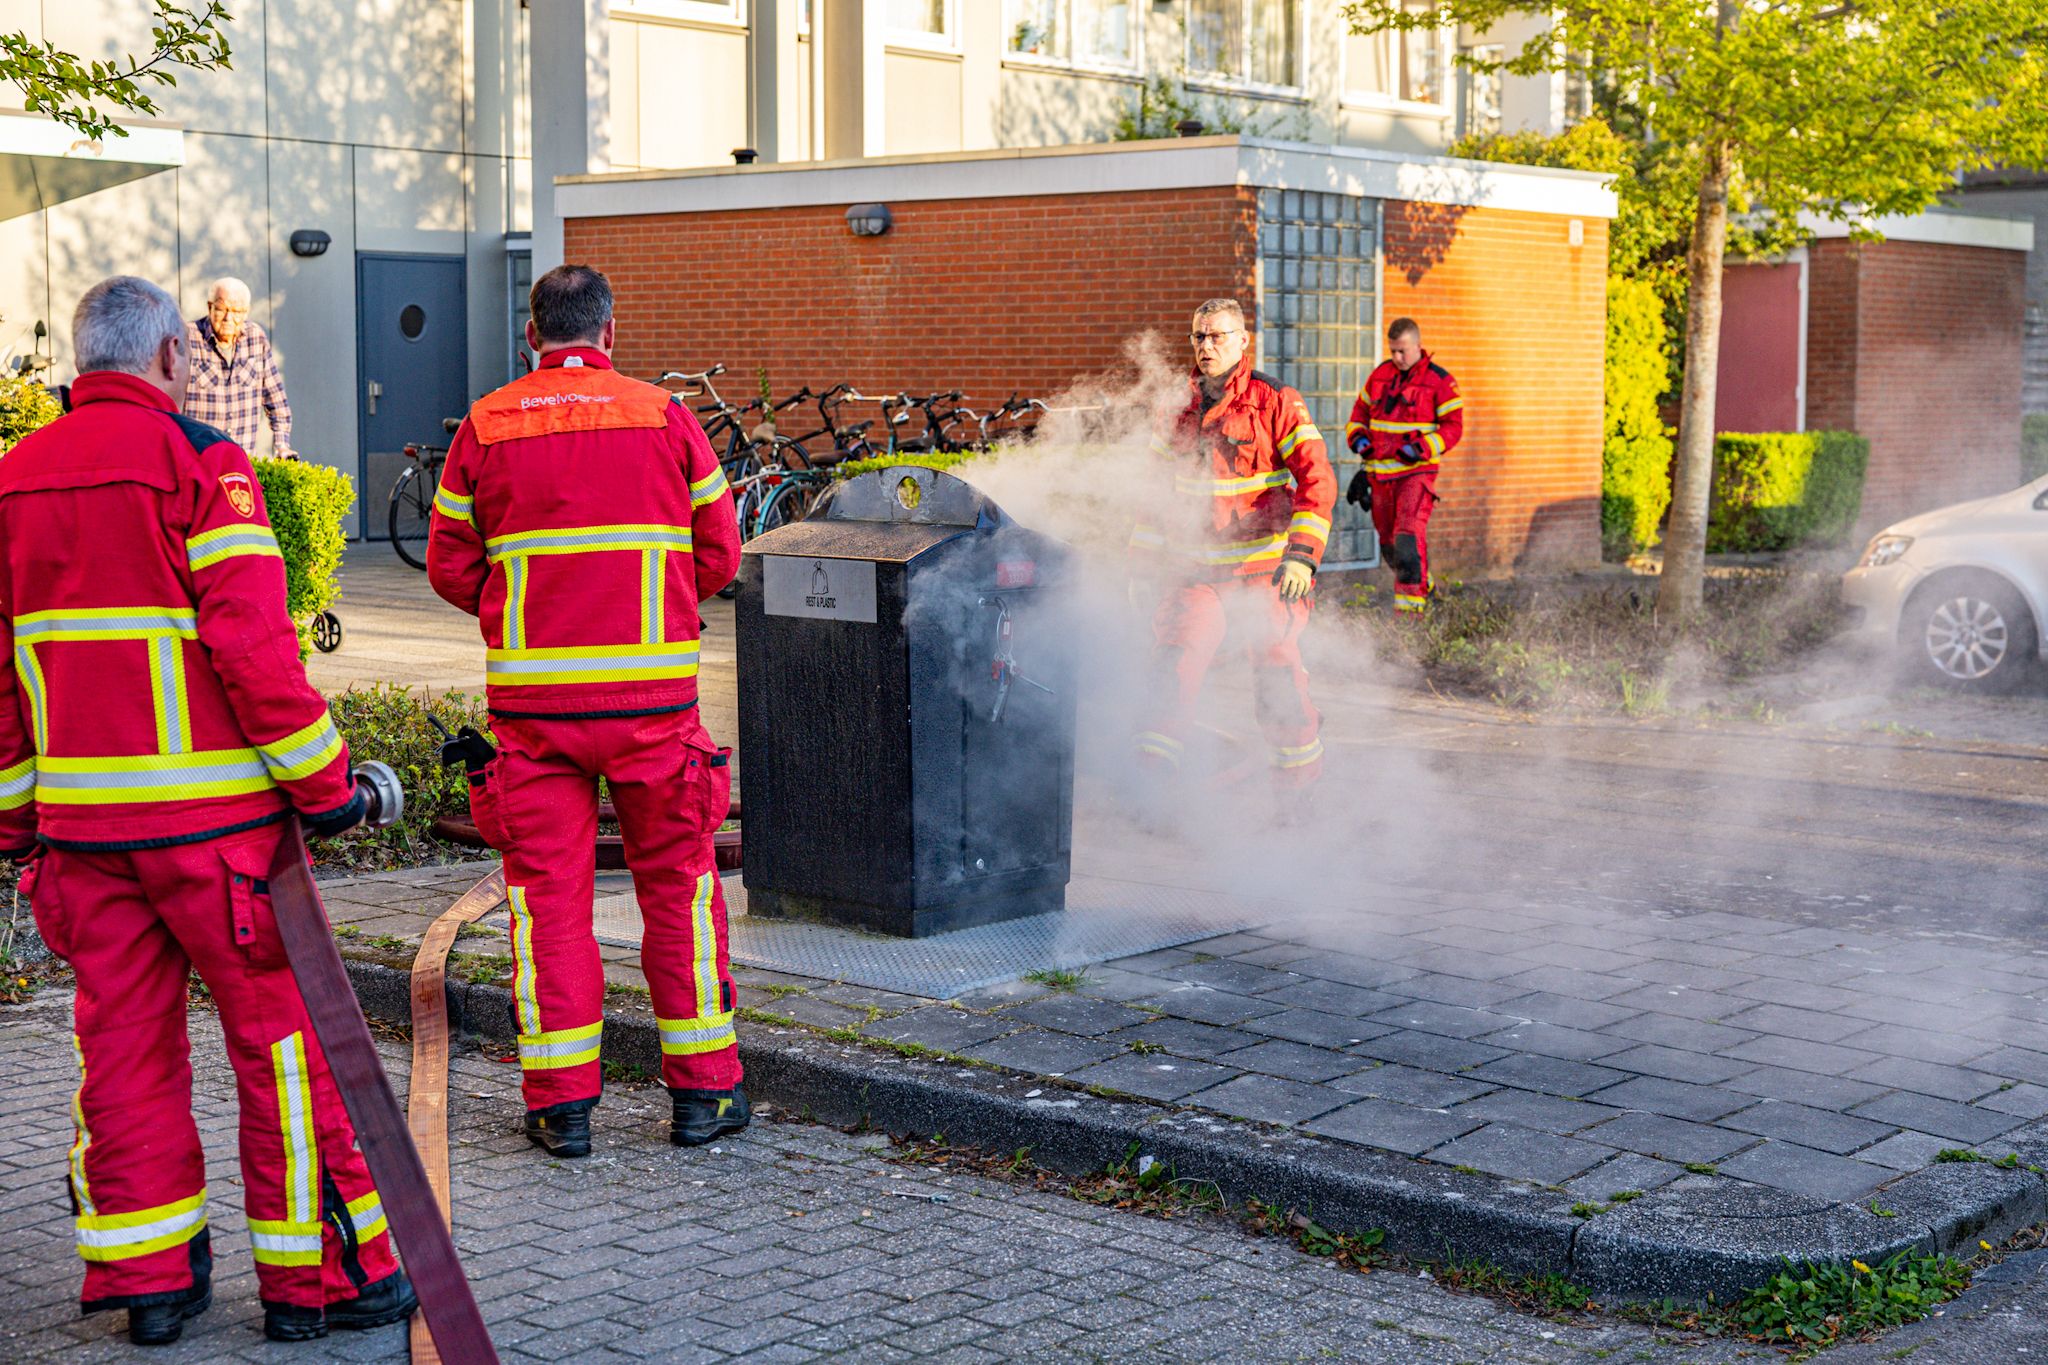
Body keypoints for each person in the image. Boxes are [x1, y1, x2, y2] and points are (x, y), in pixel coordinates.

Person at [0, 277, 413, 1347]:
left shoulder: (11, 481)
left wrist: (15, 830)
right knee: (285, 1050)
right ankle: (319, 1285)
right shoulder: (202, 464)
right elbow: (253, 651)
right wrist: (326, 785)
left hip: (84, 842)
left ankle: (149, 1290)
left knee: (122, 1052)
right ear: (172, 359)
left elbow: (3, 688)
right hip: (218, 842)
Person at [426, 264, 744, 1158]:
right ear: (609, 334)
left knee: (546, 904)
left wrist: (527, 607)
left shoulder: (486, 424)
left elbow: (449, 563)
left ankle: (561, 1110)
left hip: (535, 715)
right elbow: (720, 552)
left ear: (533, 336)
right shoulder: (666, 415)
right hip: (653, 708)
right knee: (679, 891)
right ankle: (704, 1099)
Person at [1132, 298, 1336, 804]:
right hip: (1194, 575)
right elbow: (1153, 492)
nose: (1206, 346)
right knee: (1169, 672)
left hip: (1264, 573)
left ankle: (1298, 796)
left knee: (1277, 679)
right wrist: (1140, 568)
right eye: (1198, 337)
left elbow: (1319, 481)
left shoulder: (1276, 401)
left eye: (1217, 336)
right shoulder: (1175, 405)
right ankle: (1150, 791)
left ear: (1243, 340)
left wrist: (1301, 556)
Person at [1345, 317, 1464, 614]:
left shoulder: (1440, 380)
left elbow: (1453, 427)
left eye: (1403, 351)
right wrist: (1359, 439)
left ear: (1418, 346)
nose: (1397, 357)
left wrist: (1422, 448)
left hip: (1416, 475)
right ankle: (1429, 593)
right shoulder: (1380, 375)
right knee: (1389, 546)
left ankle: (1410, 623)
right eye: (1393, 350)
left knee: (1407, 540)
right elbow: (1358, 414)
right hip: (1380, 478)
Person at [182, 277, 293, 458]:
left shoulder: (256, 338)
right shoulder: (188, 338)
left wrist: (282, 446)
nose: (229, 318)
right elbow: (169, 405)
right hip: (199, 459)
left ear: (246, 312)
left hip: (242, 461)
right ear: (210, 307)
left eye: (237, 311)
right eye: (222, 309)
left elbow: (277, 402)